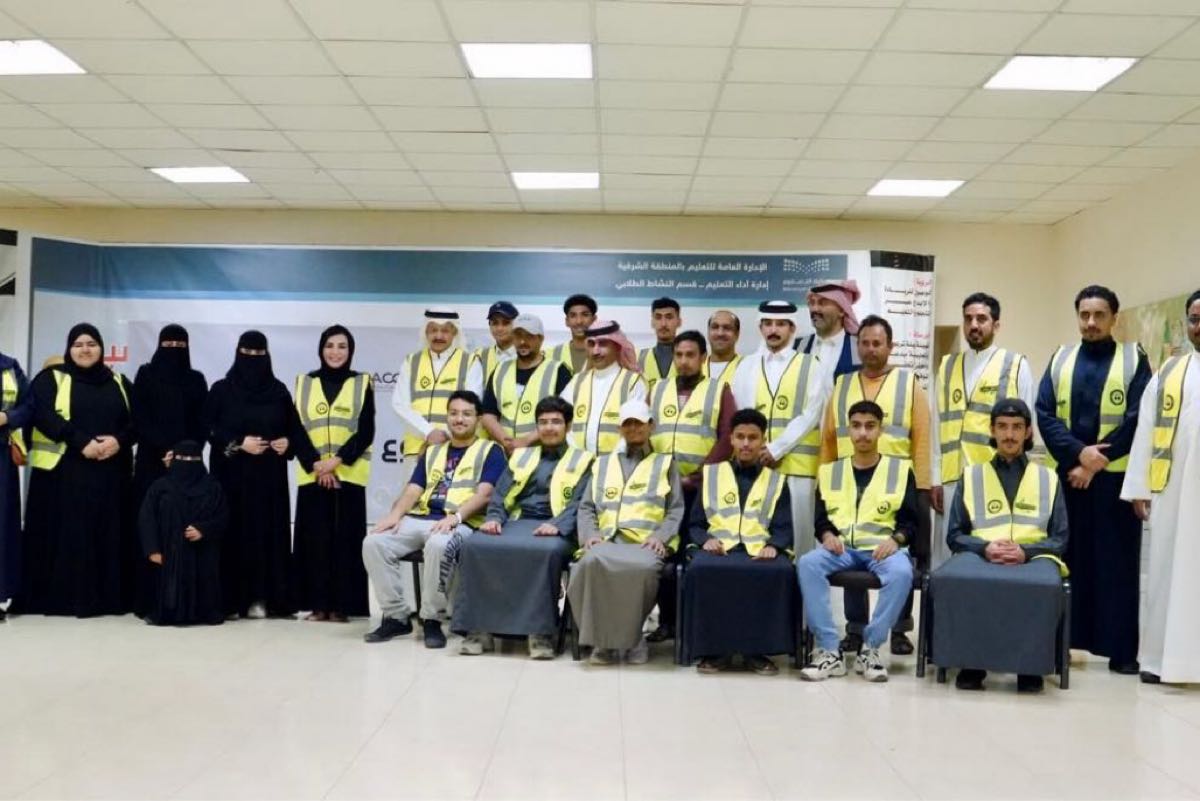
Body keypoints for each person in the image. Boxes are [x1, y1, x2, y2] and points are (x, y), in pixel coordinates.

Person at [1036, 285, 1150, 675]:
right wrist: (1077, 454)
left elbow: (1137, 418)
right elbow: (1044, 413)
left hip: (1114, 485)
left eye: (1099, 315)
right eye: (1084, 314)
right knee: (1067, 564)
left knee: (1116, 567)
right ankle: (1062, 645)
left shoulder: (1134, 359)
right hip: (1068, 481)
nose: (1091, 322)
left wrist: (1093, 462)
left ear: (1114, 318)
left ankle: (1121, 651)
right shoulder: (1061, 358)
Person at [932, 399, 1068, 694]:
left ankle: (1029, 667)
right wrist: (985, 548)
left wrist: (1025, 552)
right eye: (1003, 427)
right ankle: (970, 664)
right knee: (958, 578)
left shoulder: (1048, 477)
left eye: (1017, 427)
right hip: (982, 554)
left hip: (1033, 557)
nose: (1009, 435)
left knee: (1045, 586)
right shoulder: (971, 475)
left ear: (1028, 432)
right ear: (992, 430)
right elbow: (954, 534)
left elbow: (1060, 537)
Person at [819, 315, 930, 656]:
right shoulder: (842, 384)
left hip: (897, 486)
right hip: (848, 482)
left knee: (898, 555)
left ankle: (899, 628)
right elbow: (828, 438)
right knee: (849, 547)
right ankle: (855, 627)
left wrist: (923, 486)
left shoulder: (908, 383)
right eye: (864, 343)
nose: (870, 349)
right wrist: (824, 480)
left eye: (877, 343)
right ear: (858, 346)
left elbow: (922, 436)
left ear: (890, 346)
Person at [452, 396, 593, 659]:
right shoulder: (522, 457)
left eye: (556, 422)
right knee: (474, 545)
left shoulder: (584, 460)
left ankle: (538, 633)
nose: (549, 427)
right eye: (543, 422)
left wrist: (557, 525)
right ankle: (479, 629)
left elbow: (581, 503)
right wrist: (494, 518)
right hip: (517, 521)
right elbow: (500, 492)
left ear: (568, 426)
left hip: (558, 527)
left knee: (543, 552)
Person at [362, 390, 505, 647]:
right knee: (373, 542)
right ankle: (396, 616)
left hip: (463, 522)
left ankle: (431, 619)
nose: (459, 419)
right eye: (453, 413)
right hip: (421, 517)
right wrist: (394, 516)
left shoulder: (490, 450)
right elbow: (413, 489)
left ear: (478, 419)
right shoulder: (433, 452)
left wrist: (456, 517)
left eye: (466, 414)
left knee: (439, 545)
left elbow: (485, 494)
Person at [798, 400, 918, 683]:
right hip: (843, 549)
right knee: (808, 563)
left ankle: (871, 648)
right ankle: (830, 650)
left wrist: (896, 539)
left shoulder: (901, 471)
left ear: (880, 430)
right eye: (856, 426)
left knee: (902, 573)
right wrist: (827, 536)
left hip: (881, 549)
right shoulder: (830, 471)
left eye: (870, 426)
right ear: (848, 430)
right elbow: (821, 518)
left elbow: (911, 521)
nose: (863, 433)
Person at [20, 323, 134, 617]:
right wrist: (82, 442)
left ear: (102, 348)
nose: (85, 350)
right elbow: (43, 415)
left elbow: (138, 420)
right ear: (68, 349)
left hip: (111, 475)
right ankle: (64, 600)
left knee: (107, 535)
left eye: (92, 344)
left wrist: (119, 441)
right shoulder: (51, 378)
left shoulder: (119, 381)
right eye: (78, 344)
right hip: (63, 477)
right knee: (69, 537)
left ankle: (108, 600)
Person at [1122, 290, 1200, 684]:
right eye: (1195, 319)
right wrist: (1139, 486)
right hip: (1171, 492)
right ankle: (1157, 660)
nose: (1199, 327)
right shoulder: (1169, 372)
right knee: (1166, 574)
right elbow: (1146, 429)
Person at [568, 399, 684, 665]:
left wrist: (660, 537)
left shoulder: (666, 464)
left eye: (639, 423)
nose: (633, 429)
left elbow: (675, 509)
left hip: (646, 544)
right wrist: (590, 535)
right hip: (607, 540)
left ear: (651, 426)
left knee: (642, 570)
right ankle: (602, 642)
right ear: (619, 428)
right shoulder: (602, 464)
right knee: (589, 564)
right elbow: (586, 507)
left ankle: (633, 639)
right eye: (627, 424)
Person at [682, 409, 795, 675]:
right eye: (740, 437)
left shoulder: (776, 480)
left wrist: (774, 546)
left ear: (763, 440)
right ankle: (715, 651)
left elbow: (783, 525)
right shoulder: (712, 474)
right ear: (731, 439)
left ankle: (757, 652)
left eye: (752, 438)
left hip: (759, 549)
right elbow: (696, 523)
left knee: (781, 571)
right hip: (720, 548)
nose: (746, 444)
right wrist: (705, 540)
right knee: (700, 569)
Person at [931, 293, 1036, 567]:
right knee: (948, 556)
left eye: (981, 319)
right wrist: (935, 477)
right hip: (952, 478)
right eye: (968, 319)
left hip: (994, 478)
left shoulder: (1016, 365)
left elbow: (1028, 428)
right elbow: (936, 425)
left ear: (996, 325)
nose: (974, 325)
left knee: (991, 553)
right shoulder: (947, 366)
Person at [204, 331, 304, 620]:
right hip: (232, 478)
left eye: (259, 355)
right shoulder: (221, 390)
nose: (252, 361)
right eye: (247, 354)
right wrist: (238, 443)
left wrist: (287, 443)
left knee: (267, 534)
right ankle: (232, 599)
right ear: (237, 354)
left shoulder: (278, 391)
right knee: (233, 533)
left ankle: (266, 597)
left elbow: (294, 431)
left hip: (268, 480)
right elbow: (208, 428)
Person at [645, 330, 736, 643]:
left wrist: (697, 476)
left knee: (692, 554)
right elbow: (644, 433)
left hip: (700, 491)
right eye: (679, 355)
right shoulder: (657, 389)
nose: (683, 361)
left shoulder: (718, 390)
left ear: (702, 358)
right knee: (663, 556)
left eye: (690, 355)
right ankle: (666, 622)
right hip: (662, 491)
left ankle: (693, 624)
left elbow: (727, 438)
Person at [732, 300, 830, 558]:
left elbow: (811, 414)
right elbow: (743, 414)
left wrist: (776, 448)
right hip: (758, 466)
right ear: (760, 328)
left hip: (798, 468)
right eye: (768, 324)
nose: (773, 330)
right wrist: (758, 451)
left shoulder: (811, 364)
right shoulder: (746, 366)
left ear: (792, 328)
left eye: (780, 324)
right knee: (760, 537)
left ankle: (801, 586)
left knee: (800, 538)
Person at [292, 325, 375, 624]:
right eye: (330, 345)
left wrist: (336, 462)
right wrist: (316, 464)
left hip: (348, 475)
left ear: (350, 351)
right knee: (314, 543)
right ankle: (317, 606)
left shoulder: (362, 382)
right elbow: (296, 429)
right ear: (321, 349)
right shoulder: (304, 382)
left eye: (342, 346)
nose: (335, 352)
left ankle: (342, 607)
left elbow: (365, 430)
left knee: (345, 543)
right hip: (313, 475)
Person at [130, 323, 208, 617]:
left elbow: (202, 423)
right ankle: (146, 598)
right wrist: (164, 449)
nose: (174, 350)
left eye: (180, 345)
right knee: (150, 524)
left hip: (187, 466)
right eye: (168, 345)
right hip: (151, 462)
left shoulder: (196, 379)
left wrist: (182, 453)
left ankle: (185, 598)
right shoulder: (145, 375)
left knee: (187, 526)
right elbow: (139, 417)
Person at [138, 439, 229, 626]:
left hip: (202, 553)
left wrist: (204, 529)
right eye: (182, 458)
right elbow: (147, 519)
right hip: (169, 555)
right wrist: (153, 549)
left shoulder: (212, 487)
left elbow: (223, 516)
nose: (187, 463)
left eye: (193, 459)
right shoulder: (160, 487)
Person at [392, 308, 484, 488]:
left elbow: (472, 407)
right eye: (433, 330)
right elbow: (399, 404)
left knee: (451, 500)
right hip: (416, 449)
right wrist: (428, 433)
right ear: (425, 332)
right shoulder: (412, 361)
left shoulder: (470, 362)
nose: (439, 336)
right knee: (411, 500)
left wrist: (442, 437)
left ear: (454, 332)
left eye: (445, 330)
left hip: (456, 448)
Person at [480, 314, 572, 454]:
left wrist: (525, 441)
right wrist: (507, 442)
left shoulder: (558, 370)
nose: (523, 341)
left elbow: (566, 417)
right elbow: (488, 415)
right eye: (518, 336)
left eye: (529, 336)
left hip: (544, 454)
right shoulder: (500, 370)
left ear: (541, 339)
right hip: (505, 453)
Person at [561, 320, 647, 455]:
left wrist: (608, 463)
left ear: (617, 346)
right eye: (591, 344)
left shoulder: (632, 382)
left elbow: (634, 430)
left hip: (618, 463)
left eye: (602, 344)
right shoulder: (577, 381)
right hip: (578, 463)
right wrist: (579, 458)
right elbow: (562, 422)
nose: (595, 351)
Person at [0, 349, 33, 620]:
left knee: (2, 525)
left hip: (1, 455)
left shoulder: (9, 367)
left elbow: (29, 405)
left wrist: (8, 418)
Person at [796, 280, 863, 384]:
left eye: (822, 303)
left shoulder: (858, 348)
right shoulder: (798, 346)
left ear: (842, 310)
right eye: (812, 303)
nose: (814, 309)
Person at [637, 297, 682, 389]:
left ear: (679, 322)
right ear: (652, 322)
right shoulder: (639, 358)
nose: (663, 324)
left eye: (669, 317)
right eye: (658, 317)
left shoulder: (690, 358)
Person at [547, 294, 597, 376]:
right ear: (567, 321)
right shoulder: (550, 354)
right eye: (573, 316)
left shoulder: (607, 353)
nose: (579, 321)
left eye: (585, 315)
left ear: (594, 319)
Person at [475, 301, 519, 382]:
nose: (499, 328)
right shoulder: (480, 356)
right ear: (490, 326)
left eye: (505, 323)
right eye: (495, 323)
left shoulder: (528, 355)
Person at [705, 309, 742, 386]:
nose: (720, 333)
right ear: (708, 332)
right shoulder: (694, 367)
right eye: (715, 327)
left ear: (737, 334)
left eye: (727, 328)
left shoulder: (747, 367)